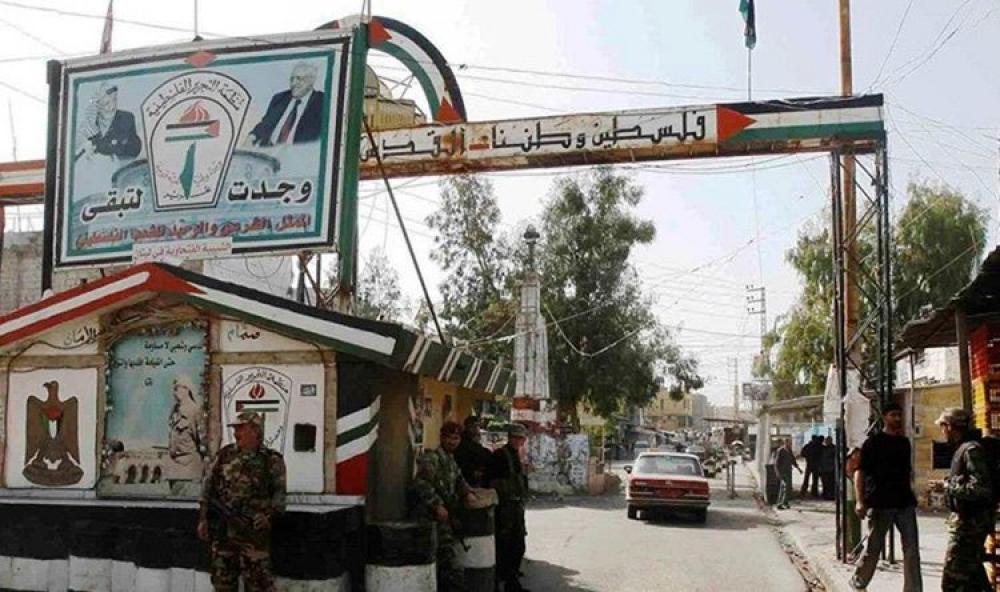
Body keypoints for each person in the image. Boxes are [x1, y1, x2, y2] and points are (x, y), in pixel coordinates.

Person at [197, 411, 286, 592]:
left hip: (253, 534)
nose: (236, 433)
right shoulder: (225, 455)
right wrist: (203, 519)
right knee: (223, 584)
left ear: (256, 431)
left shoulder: (271, 460)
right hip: (224, 533)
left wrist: (268, 516)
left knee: (259, 585)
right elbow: (208, 487)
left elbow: (279, 496)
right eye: (235, 429)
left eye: (241, 428)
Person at [850, 402, 921, 592]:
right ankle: (859, 581)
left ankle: (913, 589)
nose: (897, 418)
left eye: (899, 415)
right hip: (880, 502)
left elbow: (907, 472)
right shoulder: (873, 443)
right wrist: (860, 501)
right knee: (873, 547)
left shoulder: (904, 443)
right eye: (893, 415)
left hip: (904, 502)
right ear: (884, 417)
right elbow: (860, 472)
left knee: (911, 549)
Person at [411, 421, 476, 592]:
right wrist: (437, 505)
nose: (452, 442)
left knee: (446, 561)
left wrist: (468, 493)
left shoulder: (450, 459)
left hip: (446, 518)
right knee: (448, 563)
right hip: (430, 519)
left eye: (456, 438)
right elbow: (420, 483)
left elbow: (459, 479)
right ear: (441, 437)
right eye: (449, 438)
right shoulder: (432, 458)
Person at [938, 407, 993, 591]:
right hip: (966, 524)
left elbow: (980, 488)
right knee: (973, 578)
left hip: (970, 526)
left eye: (943, 427)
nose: (942, 432)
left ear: (949, 426)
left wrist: (948, 487)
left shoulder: (971, 450)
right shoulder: (963, 449)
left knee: (952, 581)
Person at [489, 423, 531, 592]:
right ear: (509, 437)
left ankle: (511, 581)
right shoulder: (500, 455)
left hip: (515, 505)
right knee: (504, 545)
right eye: (515, 437)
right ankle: (503, 581)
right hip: (504, 507)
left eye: (521, 438)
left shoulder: (516, 455)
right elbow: (491, 481)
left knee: (518, 544)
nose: (518, 441)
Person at [249, 62, 325, 146]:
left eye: (299, 79)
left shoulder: (322, 102)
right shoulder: (280, 98)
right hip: (268, 149)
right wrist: (252, 137)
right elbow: (265, 124)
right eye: (292, 79)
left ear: (311, 81)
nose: (293, 83)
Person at [83, 82, 141, 159]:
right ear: (97, 106)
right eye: (107, 103)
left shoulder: (126, 118)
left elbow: (120, 146)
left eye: (114, 100)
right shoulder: (92, 124)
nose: (113, 106)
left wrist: (97, 147)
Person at [454, 415, 493, 487]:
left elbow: (482, 452)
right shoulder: (463, 442)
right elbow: (464, 462)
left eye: (477, 426)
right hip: (469, 479)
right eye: (473, 426)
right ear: (467, 427)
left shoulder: (474, 439)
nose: (476, 429)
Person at [772, 438, 801, 509]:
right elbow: (776, 463)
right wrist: (777, 472)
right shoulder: (780, 451)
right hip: (782, 472)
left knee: (787, 488)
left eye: (791, 443)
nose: (790, 444)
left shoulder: (789, 451)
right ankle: (779, 503)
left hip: (788, 471)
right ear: (785, 443)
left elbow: (793, 460)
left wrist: (798, 468)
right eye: (789, 443)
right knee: (784, 487)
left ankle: (785, 502)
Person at [819, 436, 836, 500]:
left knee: (831, 483)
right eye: (826, 441)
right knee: (825, 483)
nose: (826, 442)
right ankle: (825, 495)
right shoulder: (823, 448)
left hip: (831, 469)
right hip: (824, 469)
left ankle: (831, 495)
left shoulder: (834, 448)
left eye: (827, 440)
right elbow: (821, 459)